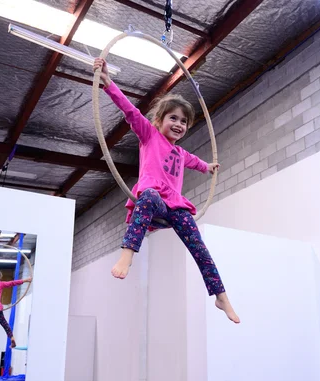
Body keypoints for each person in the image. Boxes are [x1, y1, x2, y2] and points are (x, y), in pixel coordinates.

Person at [94, 57, 240, 323]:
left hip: (175, 208)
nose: (179, 124)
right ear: (159, 120)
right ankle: (127, 254)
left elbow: (194, 161)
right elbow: (131, 112)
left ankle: (221, 295)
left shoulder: (180, 152)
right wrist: (108, 83)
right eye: (173, 118)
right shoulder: (149, 136)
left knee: (200, 247)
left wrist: (208, 167)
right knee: (148, 195)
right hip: (155, 203)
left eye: (183, 121)